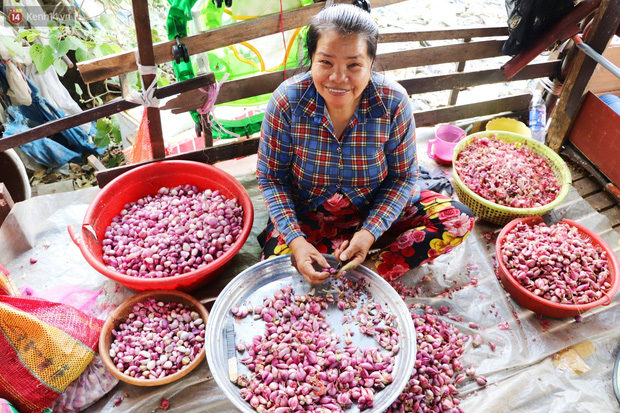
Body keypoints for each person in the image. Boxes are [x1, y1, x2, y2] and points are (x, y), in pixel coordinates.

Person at [256, 3, 475, 285]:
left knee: (457, 218)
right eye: (325, 62)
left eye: (354, 64)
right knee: (274, 273)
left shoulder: (392, 103)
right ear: (311, 58)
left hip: (374, 210)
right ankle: (325, 263)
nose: (338, 78)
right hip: (310, 215)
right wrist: (297, 243)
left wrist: (370, 231)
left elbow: (404, 177)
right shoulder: (288, 101)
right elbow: (271, 177)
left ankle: (365, 274)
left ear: (371, 63)